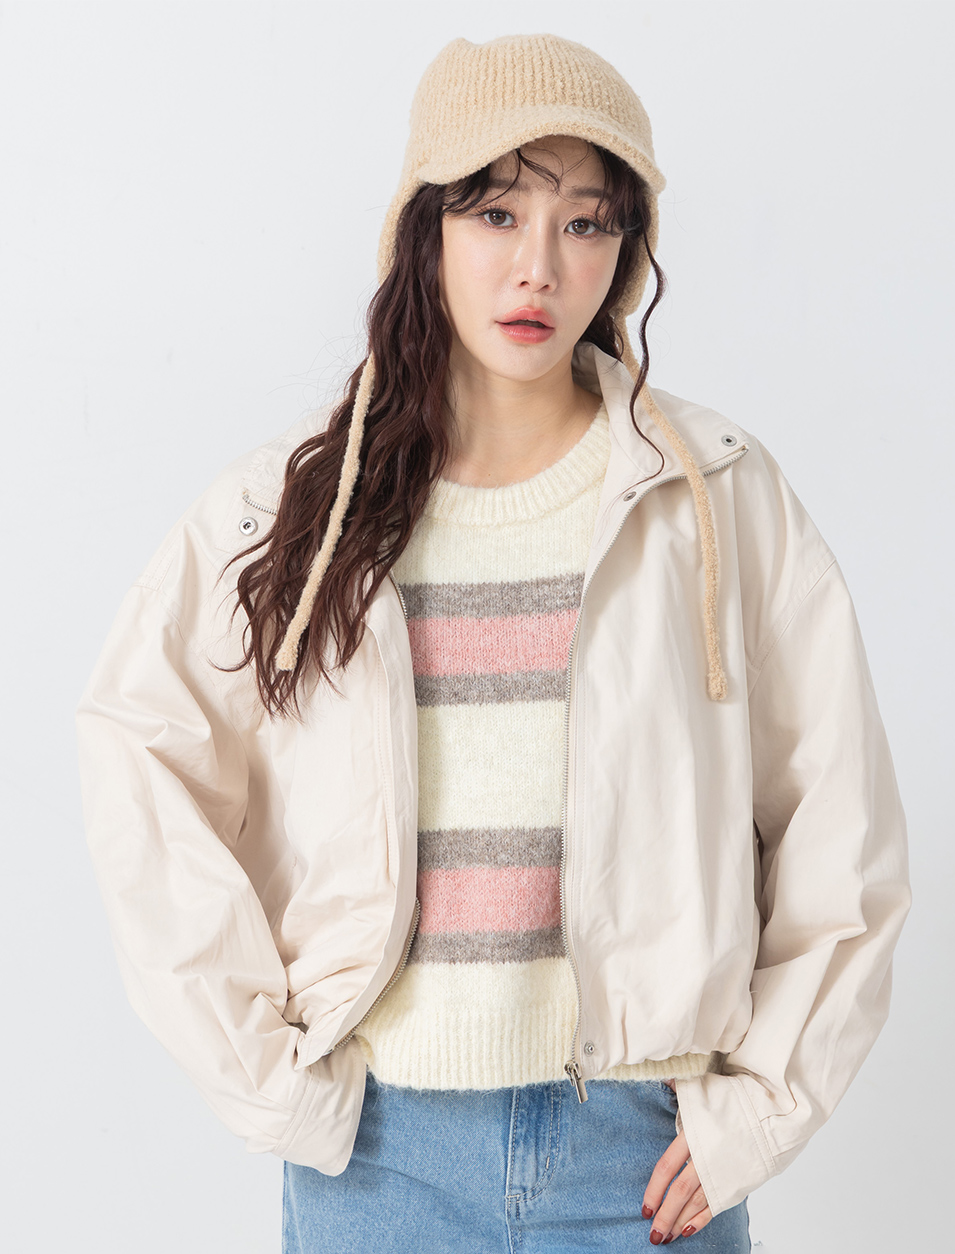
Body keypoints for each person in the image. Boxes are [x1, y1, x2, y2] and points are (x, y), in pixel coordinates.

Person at [76, 32, 912, 1254]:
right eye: (496, 212)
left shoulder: (715, 496)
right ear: (425, 230)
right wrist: (265, 1073)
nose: (539, 266)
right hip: (378, 1162)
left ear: (625, 252)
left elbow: (841, 818)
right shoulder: (298, 506)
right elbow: (140, 754)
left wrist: (759, 1110)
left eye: (585, 223)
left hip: (641, 1160)